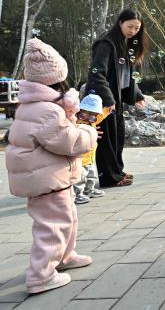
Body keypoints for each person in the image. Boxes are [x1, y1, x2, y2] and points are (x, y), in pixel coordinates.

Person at [5, 38, 98, 294]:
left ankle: (65, 257)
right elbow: (68, 142)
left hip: (49, 178)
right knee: (52, 226)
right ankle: (41, 275)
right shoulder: (48, 111)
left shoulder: (33, 105)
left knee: (66, 218)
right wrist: (88, 132)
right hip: (46, 180)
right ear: (56, 79)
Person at [85, 9, 147, 187]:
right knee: (106, 141)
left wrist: (136, 95)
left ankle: (117, 171)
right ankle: (109, 177)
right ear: (120, 22)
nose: (133, 31)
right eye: (130, 26)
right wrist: (108, 99)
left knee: (118, 137)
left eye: (137, 28)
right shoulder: (106, 43)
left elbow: (126, 75)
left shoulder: (124, 44)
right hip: (102, 100)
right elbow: (97, 75)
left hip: (116, 99)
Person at [73, 94, 110, 204]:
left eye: (93, 115)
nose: (90, 116)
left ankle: (90, 190)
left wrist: (108, 110)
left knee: (92, 175)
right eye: (87, 113)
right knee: (80, 177)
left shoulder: (92, 121)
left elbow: (100, 117)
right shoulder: (76, 122)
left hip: (91, 155)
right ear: (80, 110)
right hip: (80, 156)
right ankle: (77, 194)